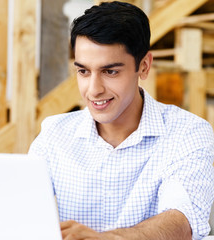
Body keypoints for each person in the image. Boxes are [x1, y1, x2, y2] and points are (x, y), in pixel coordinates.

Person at [28, 1, 214, 240]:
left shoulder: (187, 133)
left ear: (144, 66)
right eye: (83, 71)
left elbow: (182, 221)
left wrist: (108, 239)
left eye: (110, 71)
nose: (93, 90)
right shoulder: (54, 134)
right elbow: (23, 211)